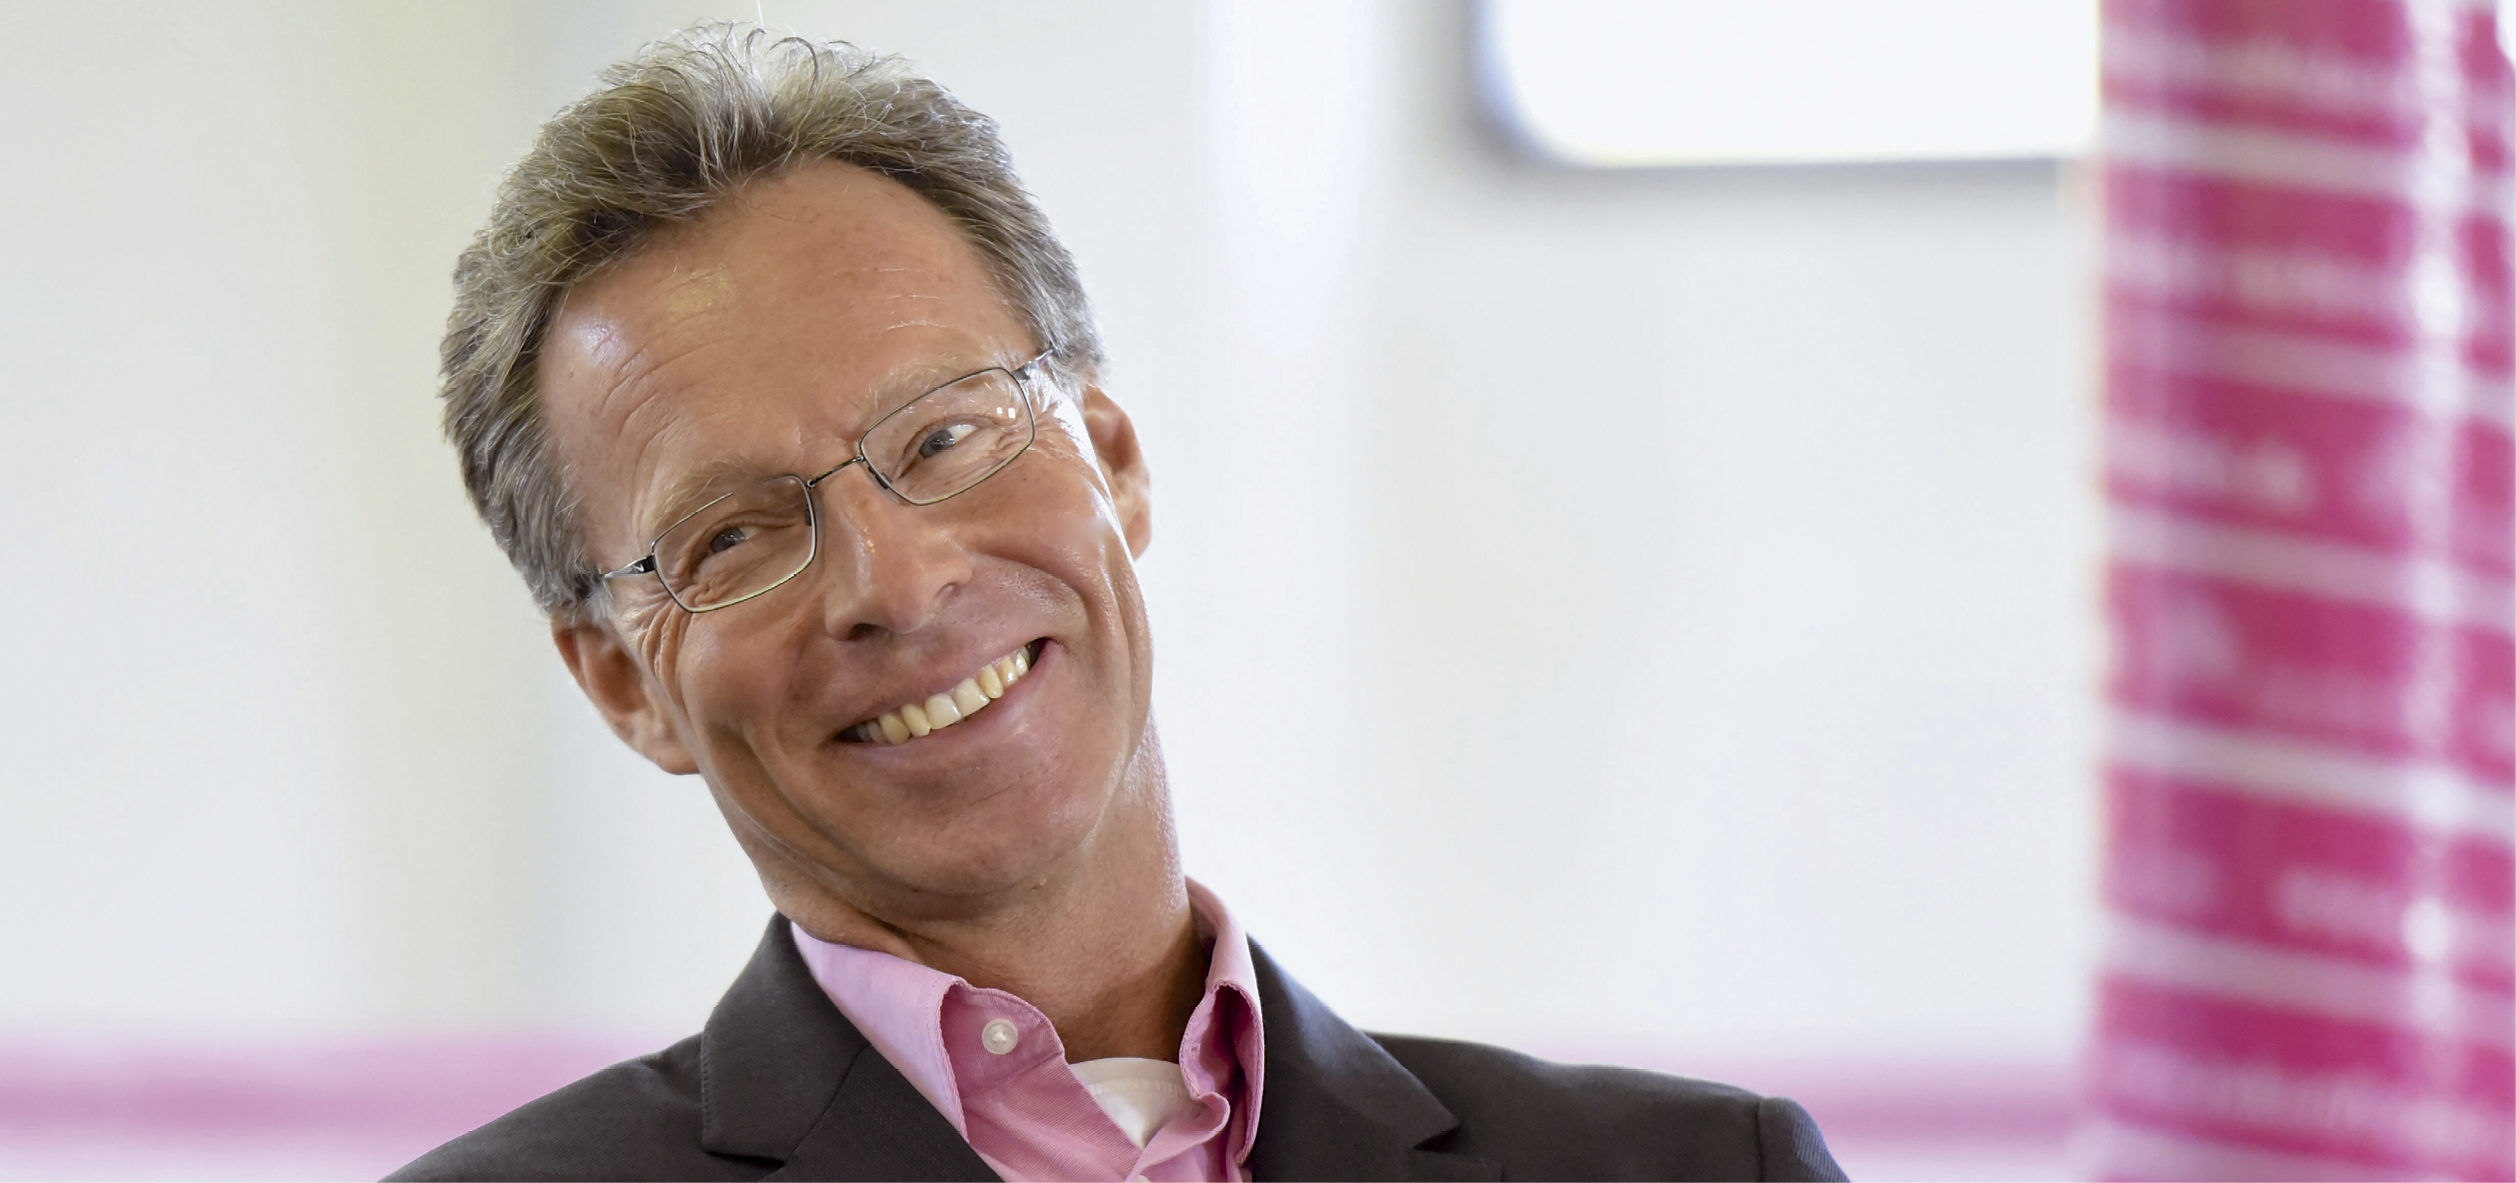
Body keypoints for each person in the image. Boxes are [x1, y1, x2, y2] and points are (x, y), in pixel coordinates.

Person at [391, 24, 1845, 1183]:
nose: (895, 583)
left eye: (944, 437)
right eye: (732, 535)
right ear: (623, 684)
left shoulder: (1703, 1171)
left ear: (1116, 459)